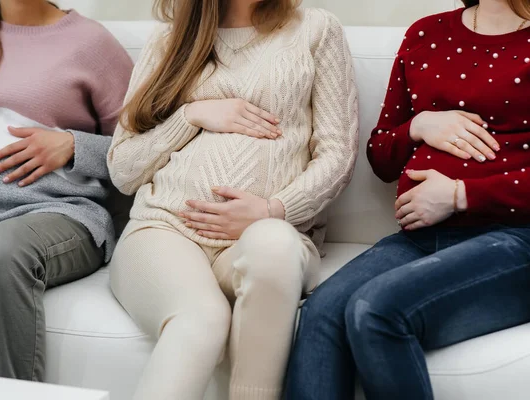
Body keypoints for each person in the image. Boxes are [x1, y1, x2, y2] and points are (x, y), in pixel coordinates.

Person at [106, 0, 358, 397]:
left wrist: (273, 211)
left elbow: (338, 155)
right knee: (203, 319)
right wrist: (191, 115)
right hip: (166, 230)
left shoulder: (315, 29)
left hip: (266, 234)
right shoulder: (169, 39)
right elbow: (122, 170)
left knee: (274, 245)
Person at [284, 0, 530, 399]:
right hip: (420, 237)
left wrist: (461, 195)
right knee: (321, 313)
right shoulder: (426, 34)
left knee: (376, 309)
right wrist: (418, 126)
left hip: (519, 240)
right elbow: (381, 157)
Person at [0, 0, 133, 381]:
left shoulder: (91, 42)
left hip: (59, 214)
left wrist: (74, 145)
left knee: (2, 249)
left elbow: (143, 146)